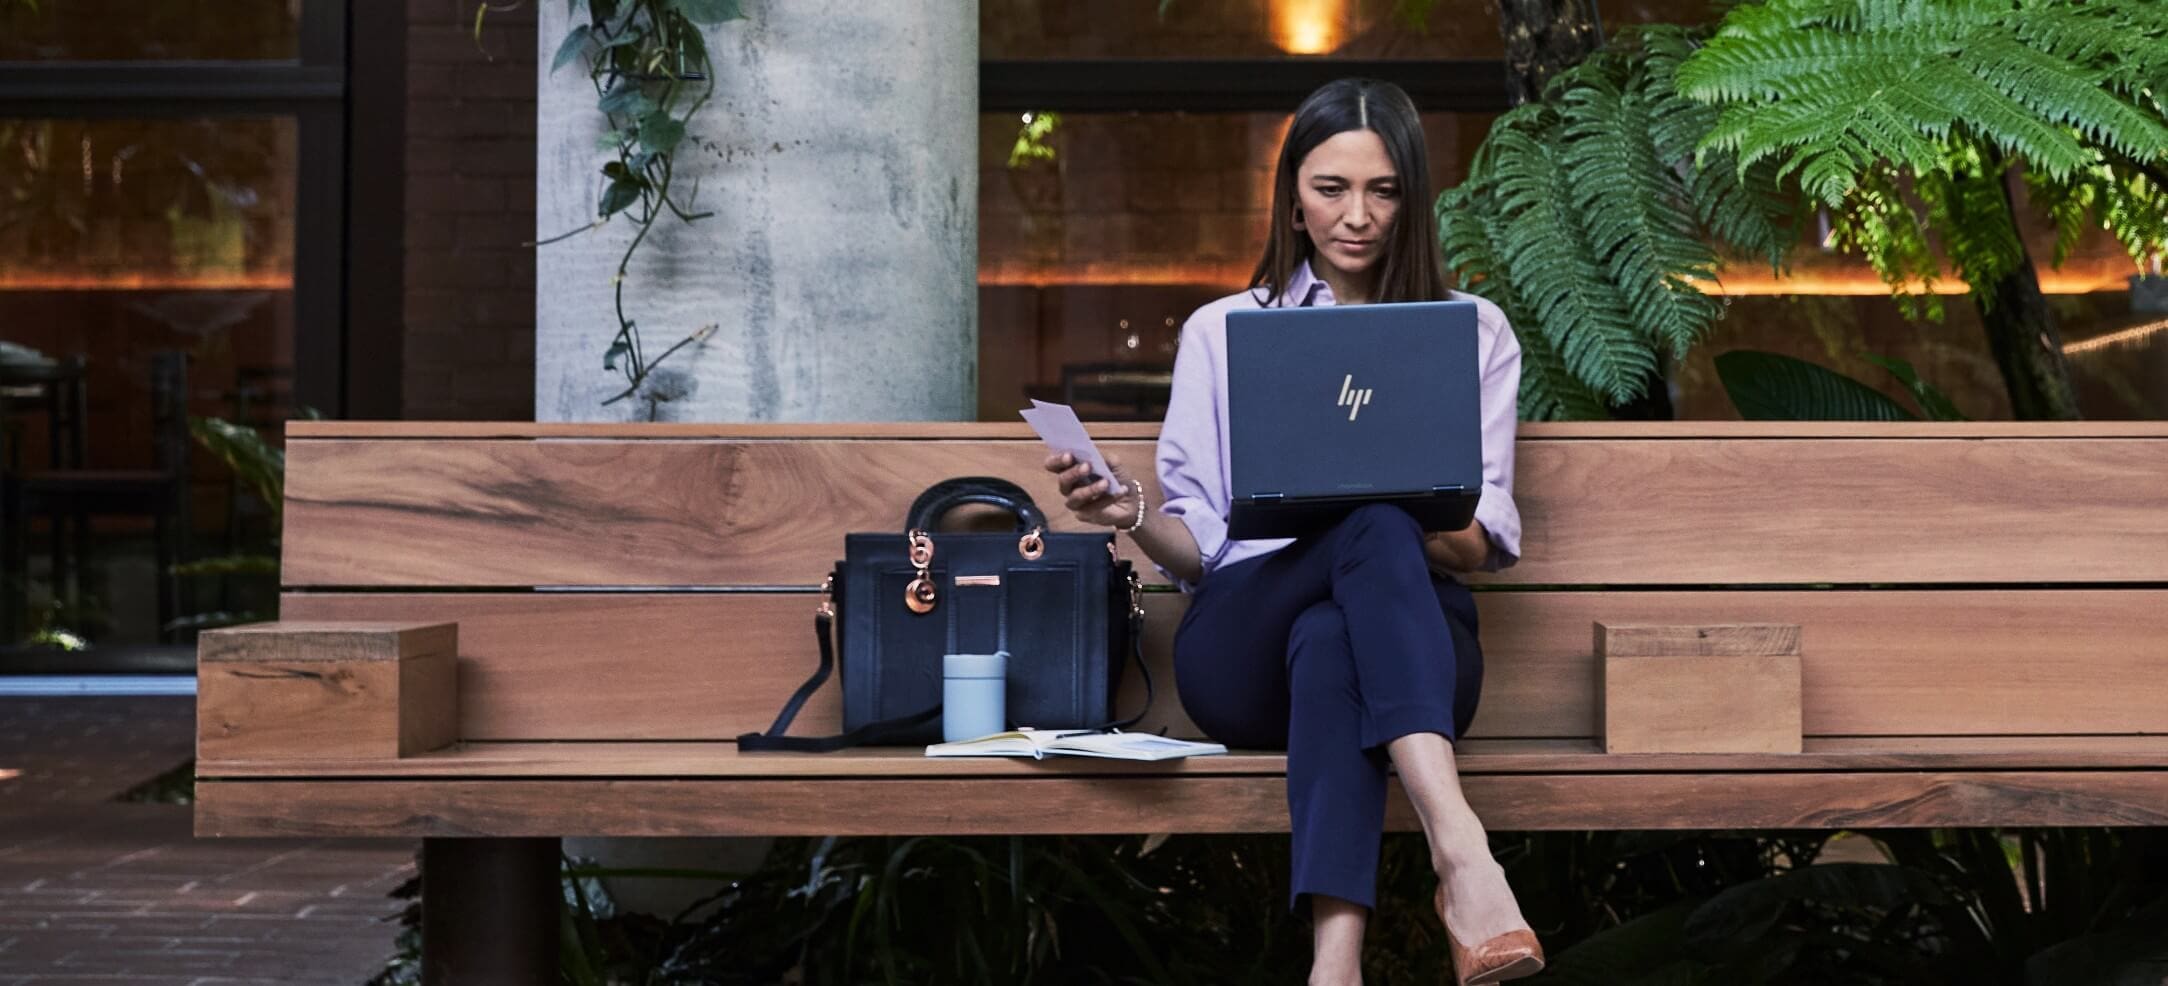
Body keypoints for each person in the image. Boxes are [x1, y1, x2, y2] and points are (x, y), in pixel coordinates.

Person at [1040, 78, 1540, 986]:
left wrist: (1383, 504)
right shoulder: (1223, 331)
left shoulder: (1474, 335)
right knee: (1361, 535)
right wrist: (1134, 516)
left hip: (1415, 650)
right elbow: (1199, 550)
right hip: (1242, 651)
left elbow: (1481, 545)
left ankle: (1334, 966)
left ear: (1412, 199)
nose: (1358, 215)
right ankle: (1463, 853)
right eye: (1331, 188)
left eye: (1383, 190)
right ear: (1293, 198)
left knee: (1348, 600)